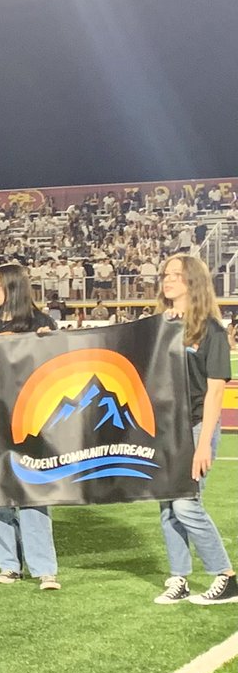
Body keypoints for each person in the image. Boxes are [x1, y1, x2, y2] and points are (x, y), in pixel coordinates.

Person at [0, 264, 62, 590]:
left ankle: (44, 568)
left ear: (14, 287)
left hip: (32, 423)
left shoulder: (40, 324)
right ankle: (9, 565)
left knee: (34, 494)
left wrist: (50, 342)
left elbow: (60, 370)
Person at [149, 255, 236, 605]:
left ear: (193, 283)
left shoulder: (212, 330)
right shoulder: (161, 326)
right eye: (166, 275)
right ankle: (179, 579)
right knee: (167, 507)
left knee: (186, 505)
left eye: (176, 276)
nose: (168, 280)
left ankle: (226, 577)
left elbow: (216, 390)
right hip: (168, 428)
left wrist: (203, 447)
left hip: (198, 427)